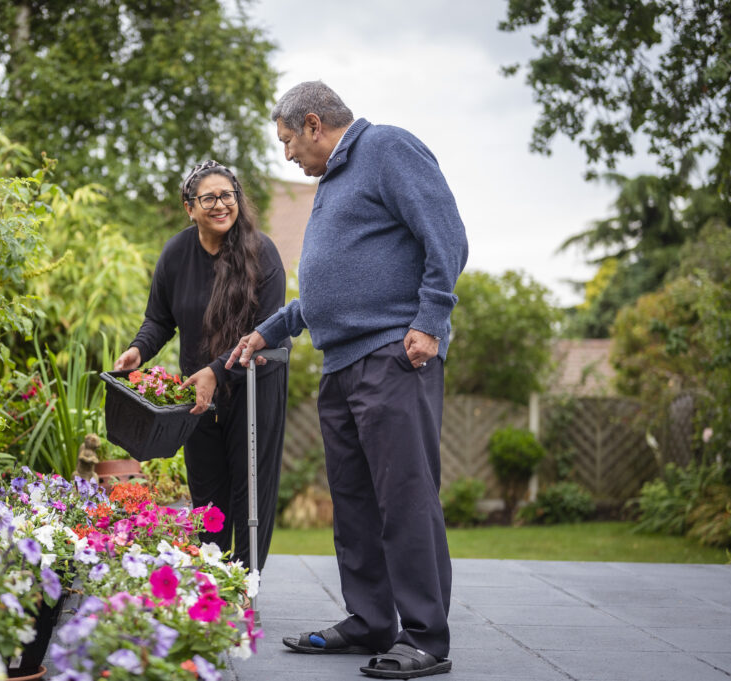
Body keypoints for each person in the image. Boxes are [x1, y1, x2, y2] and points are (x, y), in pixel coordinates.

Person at [227, 81, 467, 678]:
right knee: (355, 503)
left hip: (393, 355)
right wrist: (272, 329)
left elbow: (448, 237)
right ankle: (371, 621)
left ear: (313, 124)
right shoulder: (333, 183)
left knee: (405, 498)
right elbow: (331, 288)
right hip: (341, 365)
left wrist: (431, 319)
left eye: (287, 141)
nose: (287, 156)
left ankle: (426, 637)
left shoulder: (386, 149)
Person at [114, 160, 290, 570]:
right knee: (208, 495)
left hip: (254, 386)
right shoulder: (177, 253)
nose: (220, 204)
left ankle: (245, 585)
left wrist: (216, 369)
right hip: (199, 394)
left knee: (250, 493)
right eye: (208, 197)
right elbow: (159, 320)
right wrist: (139, 350)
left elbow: (266, 330)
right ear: (189, 207)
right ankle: (212, 582)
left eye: (227, 195)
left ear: (238, 200)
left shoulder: (263, 254)